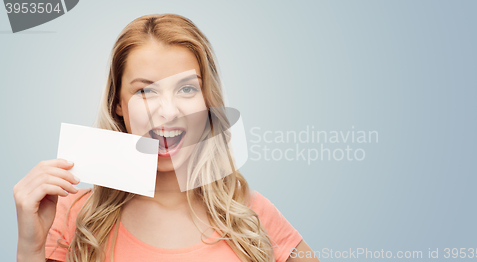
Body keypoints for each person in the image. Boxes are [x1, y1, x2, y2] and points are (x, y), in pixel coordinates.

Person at [14, 14, 319, 262]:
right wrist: (30, 248)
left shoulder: (250, 214)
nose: (169, 111)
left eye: (187, 89)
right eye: (146, 91)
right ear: (118, 103)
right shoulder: (71, 216)